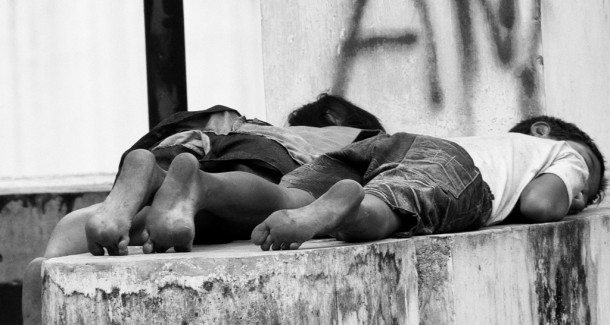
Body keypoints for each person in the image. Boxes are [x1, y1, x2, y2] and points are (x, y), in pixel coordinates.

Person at [21, 93, 385, 325]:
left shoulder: (244, 123)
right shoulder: (344, 139)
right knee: (241, 193)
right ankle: (191, 186)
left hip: (187, 136)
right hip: (258, 155)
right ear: (338, 118)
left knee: (156, 206)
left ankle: (51, 262)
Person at [97, 114, 604, 254]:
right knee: (388, 210)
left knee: (289, 196)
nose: (583, 196)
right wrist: (572, 195)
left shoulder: (498, 141)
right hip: (457, 171)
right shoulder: (559, 154)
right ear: (545, 133)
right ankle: (348, 212)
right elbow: (541, 205)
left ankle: (193, 185)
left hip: (400, 144)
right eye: (589, 184)